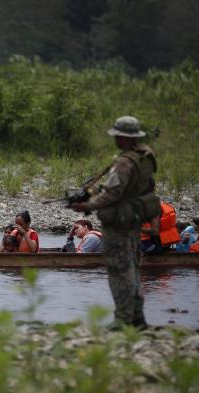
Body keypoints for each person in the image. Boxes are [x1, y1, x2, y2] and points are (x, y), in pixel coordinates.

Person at [70, 116, 160, 330]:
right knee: (133, 268)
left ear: (123, 137)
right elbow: (139, 189)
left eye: (118, 136)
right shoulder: (145, 157)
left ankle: (123, 320)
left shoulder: (124, 162)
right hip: (134, 220)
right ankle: (138, 319)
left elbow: (113, 194)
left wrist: (87, 206)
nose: (116, 140)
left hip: (119, 223)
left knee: (120, 270)